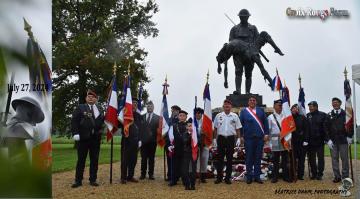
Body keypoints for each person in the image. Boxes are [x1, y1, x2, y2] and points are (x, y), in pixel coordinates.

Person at [71, 90, 104, 188]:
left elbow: (102, 123)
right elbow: (74, 121)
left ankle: (93, 179)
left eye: (93, 97)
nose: (90, 98)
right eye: (89, 96)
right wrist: (75, 133)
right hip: (83, 138)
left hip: (95, 139)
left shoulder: (100, 109)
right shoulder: (80, 107)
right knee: (81, 160)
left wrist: (103, 130)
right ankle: (78, 180)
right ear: (86, 98)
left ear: (96, 99)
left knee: (94, 160)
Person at [2, 96, 45, 166]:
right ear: (26, 108)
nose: (34, 123)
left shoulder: (11, 126)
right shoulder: (18, 127)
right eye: (33, 113)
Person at [239, 95, 269, 184]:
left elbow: (265, 123)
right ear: (248, 102)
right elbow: (241, 125)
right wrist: (241, 136)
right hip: (248, 138)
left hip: (259, 138)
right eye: (250, 100)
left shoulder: (261, 111)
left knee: (258, 158)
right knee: (249, 158)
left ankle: (257, 177)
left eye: (254, 100)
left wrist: (266, 133)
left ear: (256, 102)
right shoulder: (244, 111)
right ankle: (249, 177)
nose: (252, 101)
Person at [325, 97, 354, 183]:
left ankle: (345, 176)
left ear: (340, 103)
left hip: (343, 140)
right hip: (333, 141)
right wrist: (328, 140)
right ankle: (337, 176)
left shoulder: (346, 114)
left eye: (336, 102)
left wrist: (349, 136)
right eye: (333, 102)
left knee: (344, 159)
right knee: (334, 159)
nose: (335, 104)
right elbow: (325, 128)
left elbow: (352, 125)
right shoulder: (329, 115)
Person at [213, 99, 242, 185]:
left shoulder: (235, 116)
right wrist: (214, 139)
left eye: (228, 105)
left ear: (231, 107)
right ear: (223, 106)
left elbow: (238, 128)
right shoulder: (218, 116)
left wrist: (239, 138)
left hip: (230, 139)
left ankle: (227, 178)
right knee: (220, 159)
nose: (227, 106)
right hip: (221, 138)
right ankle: (219, 178)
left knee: (229, 159)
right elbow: (215, 128)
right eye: (225, 105)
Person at [120, 98, 143, 184]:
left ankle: (130, 176)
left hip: (136, 141)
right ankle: (123, 177)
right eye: (133, 102)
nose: (135, 104)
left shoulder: (138, 115)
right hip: (126, 140)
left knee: (133, 160)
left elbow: (141, 129)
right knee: (124, 159)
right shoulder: (124, 114)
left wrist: (140, 139)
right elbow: (119, 125)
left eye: (136, 103)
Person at [268, 99, 290, 183]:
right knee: (275, 160)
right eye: (278, 105)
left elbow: (288, 128)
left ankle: (285, 176)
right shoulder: (270, 117)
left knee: (285, 159)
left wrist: (288, 139)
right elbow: (269, 131)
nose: (280, 106)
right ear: (274, 106)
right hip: (274, 138)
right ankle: (275, 177)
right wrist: (270, 143)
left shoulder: (285, 116)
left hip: (284, 137)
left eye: (281, 105)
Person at [306, 101, 327, 180]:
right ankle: (314, 173)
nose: (310, 108)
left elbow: (325, 128)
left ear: (316, 107)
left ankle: (320, 173)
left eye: (311, 106)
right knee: (311, 158)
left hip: (320, 141)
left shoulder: (323, 115)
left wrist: (326, 139)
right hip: (310, 141)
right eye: (309, 107)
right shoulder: (308, 115)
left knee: (320, 158)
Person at [140, 101, 160, 180]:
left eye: (151, 106)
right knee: (143, 158)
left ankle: (151, 174)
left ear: (153, 107)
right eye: (148, 106)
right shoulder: (142, 117)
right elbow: (140, 129)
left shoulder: (157, 118)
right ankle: (143, 174)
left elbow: (159, 130)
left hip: (152, 142)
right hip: (143, 142)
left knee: (151, 159)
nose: (149, 108)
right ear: (146, 107)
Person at [290, 104, 309, 180]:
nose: (295, 110)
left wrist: (306, 140)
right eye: (293, 108)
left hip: (301, 142)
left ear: (298, 110)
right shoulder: (288, 118)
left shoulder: (303, 118)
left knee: (301, 160)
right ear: (291, 110)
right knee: (293, 160)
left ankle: (300, 175)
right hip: (292, 142)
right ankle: (293, 174)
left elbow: (307, 130)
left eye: (296, 108)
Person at [194, 107, 210, 183]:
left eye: (199, 113)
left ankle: (203, 176)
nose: (197, 114)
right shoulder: (192, 121)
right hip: (195, 143)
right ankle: (194, 175)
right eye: (196, 113)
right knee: (194, 159)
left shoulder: (206, 121)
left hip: (204, 143)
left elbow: (211, 131)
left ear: (202, 114)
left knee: (204, 159)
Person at [165, 105, 181, 181]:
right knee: (169, 160)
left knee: (177, 161)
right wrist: (168, 143)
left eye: (175, 110)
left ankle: (176, 176)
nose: (173, 112)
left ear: (178, 111)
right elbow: (165, 132)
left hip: (177, 144)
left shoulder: (180, 120)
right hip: (168, 143)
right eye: (172, 110)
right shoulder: (168, 120)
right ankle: (170, 175)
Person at [182, 118, 197, 190]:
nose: (190, 127)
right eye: (189, 126)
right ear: (186, 127)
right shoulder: (184, 134)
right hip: (186, 153)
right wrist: (191, 137)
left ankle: (193, 184)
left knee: (193, 169)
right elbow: (185, 142)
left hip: (194, 153)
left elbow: (199, 142)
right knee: (186, 169)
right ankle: (187, 184)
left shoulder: (196, 134)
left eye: (191, 126)